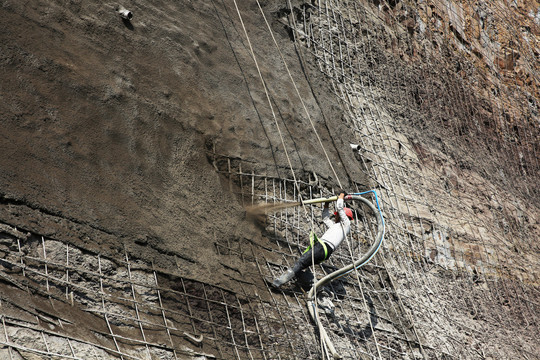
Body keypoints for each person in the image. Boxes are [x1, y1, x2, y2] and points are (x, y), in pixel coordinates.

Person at [272, 192, 353, 288]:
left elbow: (339, 207)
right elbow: (326, 219)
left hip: (322, 247)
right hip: (325, 251)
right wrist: (327, 204)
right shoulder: (337, 227)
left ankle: (278, 282)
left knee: (300, 263)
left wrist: (341, 196)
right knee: (303, 265)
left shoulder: (346, 224)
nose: (335, 216)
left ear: (341, 215)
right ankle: (314, 286)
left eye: (336, 215)